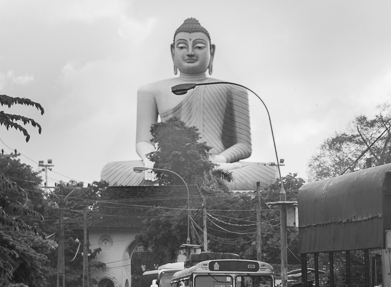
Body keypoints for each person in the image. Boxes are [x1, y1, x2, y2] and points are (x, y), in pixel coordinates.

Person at [100, 18, 277, 191]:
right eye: (182, 47)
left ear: (212, 51)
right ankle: (203, 176)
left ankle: (210, 173)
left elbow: (244, 146)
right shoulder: (150, 91)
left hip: (216, 164)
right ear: (172, 51)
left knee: (268, 173)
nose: (190, 52)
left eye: (199, 47)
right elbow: (143, 141)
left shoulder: (233, 89)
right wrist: (151, 160)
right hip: (168, 165)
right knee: (111, 171)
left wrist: (219, 161)